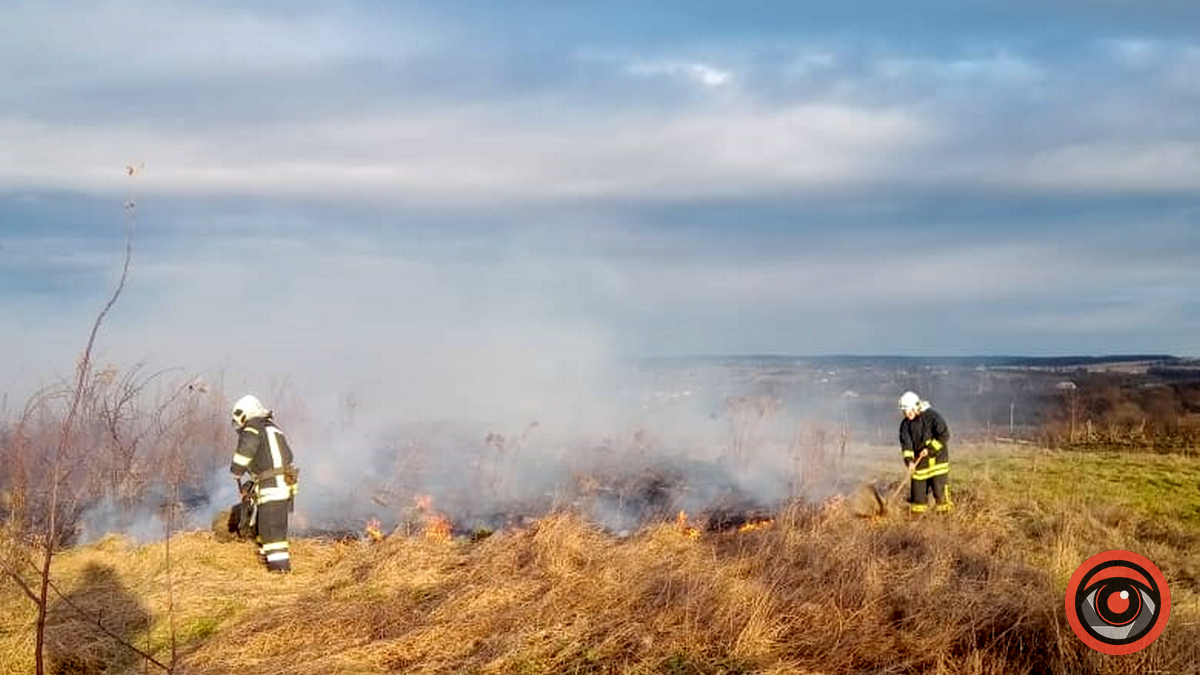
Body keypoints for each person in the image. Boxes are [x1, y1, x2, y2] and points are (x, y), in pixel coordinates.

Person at [229, 394, 299, 572]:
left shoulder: (252, 428)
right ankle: (266, 560)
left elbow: (246, 450)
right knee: (266, 525)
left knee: (271, 531)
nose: (240, 425)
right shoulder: (273, 428)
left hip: (272, 487)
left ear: (244, 414)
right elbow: (287, 456)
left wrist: (237, 470)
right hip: (282, 485)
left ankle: (279, 571)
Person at [898, 390, 952, 514]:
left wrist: (930, 449)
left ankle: (946, 522)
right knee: (917, 499)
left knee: (941, 496)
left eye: (909, 411)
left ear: (915, 407)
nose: (907, 415)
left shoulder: (932, 417)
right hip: (920, 465)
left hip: (938, 463)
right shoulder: (905, 425)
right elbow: (907, 446)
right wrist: (910, 462)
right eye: (904, 412)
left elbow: (944, 435)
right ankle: (918, 526)